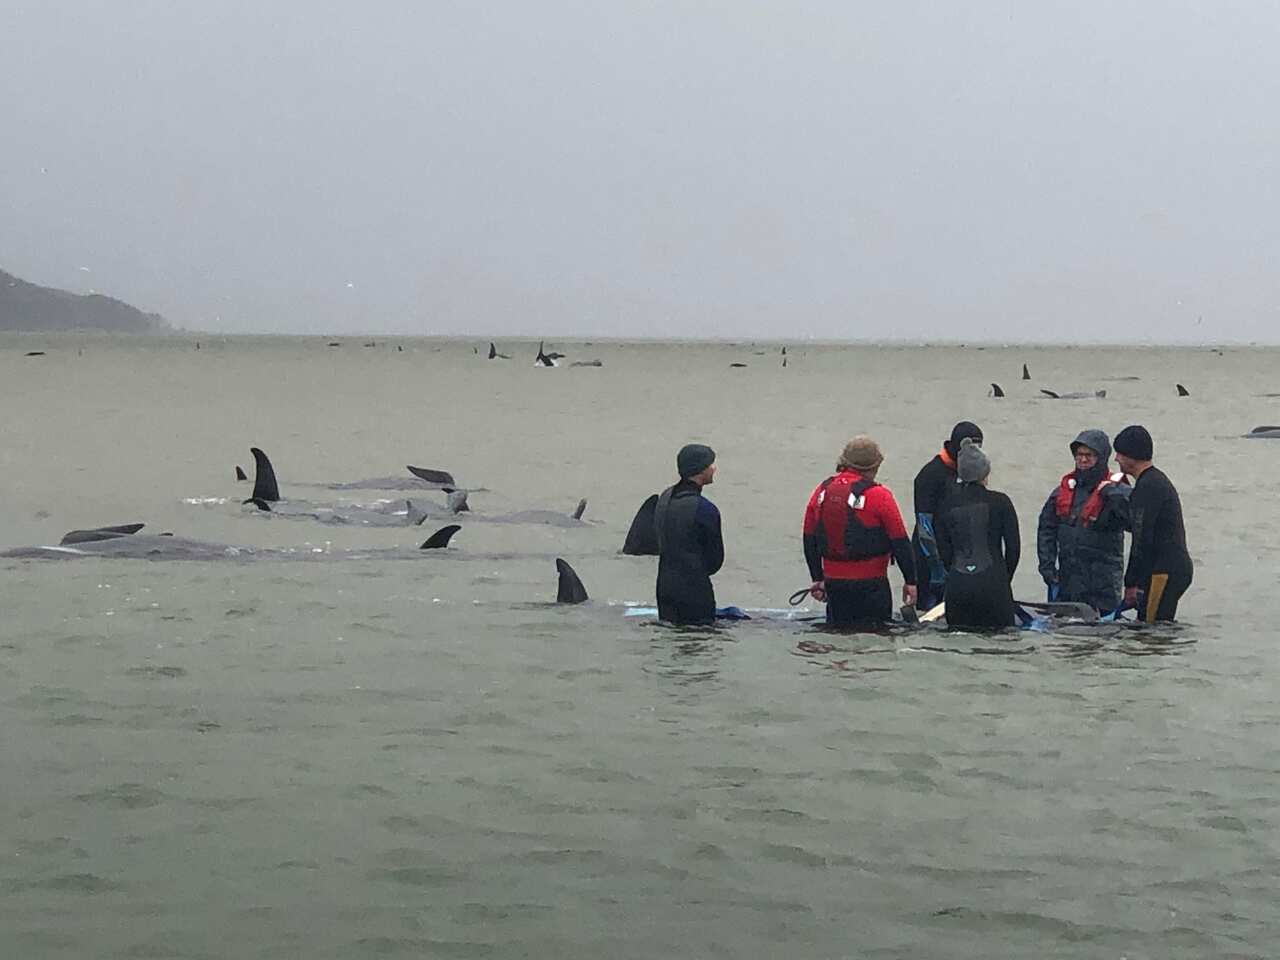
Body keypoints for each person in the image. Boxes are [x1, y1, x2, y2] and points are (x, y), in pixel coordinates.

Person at [802, 436, 917, 626]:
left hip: (834, 588)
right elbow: (900, 541)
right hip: (872, 587)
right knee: (875, 644)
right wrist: (911, 581)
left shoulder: (821, 492)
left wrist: (817, 578)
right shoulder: (880, 496)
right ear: (874, 466)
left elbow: (809, 538)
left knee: (837, 639)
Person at [1036, 429, 1130, 614]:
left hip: (1103, 585)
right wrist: (1047, 565)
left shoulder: (1117, 489)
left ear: (1101, 458)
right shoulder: (1062, 492)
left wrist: (1113, 496)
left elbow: (1134, 520)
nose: (1083, 460)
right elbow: (1046, 529)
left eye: (1089, 455)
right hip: (1068, 580)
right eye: (1079, 455)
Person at [935, 441, 1020, 628]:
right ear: (985, 472)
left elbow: (944, 552)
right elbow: (1013, 549)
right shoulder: (1001, 502)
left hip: (958, 587)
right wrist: (1003, 580)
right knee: (1000, 645)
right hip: (993, 584)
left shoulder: (945, 505)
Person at [1113, 425, 1193, 621]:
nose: (1116, 459)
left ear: (1132, 457)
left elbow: (1141, 539)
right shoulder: (1154, 481)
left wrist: (1131, 583)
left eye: (1120, 454)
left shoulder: (1147, 487)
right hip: (1171, 569)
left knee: (1152, 629)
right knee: (1152, 627)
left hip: (1164, 572)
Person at [912, 421, 984, 609]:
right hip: (929, 559)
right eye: (970, 447)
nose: (973, 452)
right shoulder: (930, 475)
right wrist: (935, 566)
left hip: (957, 559)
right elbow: (923, 525)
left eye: (978, 447)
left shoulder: (969, 473)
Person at [654, 443, 724, 625]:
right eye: (710, 464)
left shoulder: (664, 498)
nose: (714, 468)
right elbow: (715, 561)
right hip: (694, 591)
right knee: (698, 643)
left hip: (664, 589)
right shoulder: (706, 509)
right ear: (700, 470)